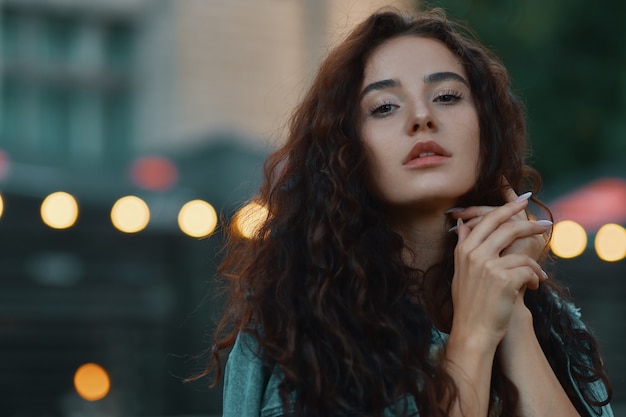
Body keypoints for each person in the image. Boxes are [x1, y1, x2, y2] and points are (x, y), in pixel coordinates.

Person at [202, 7, 613, 417]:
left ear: (486, 131)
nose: (421, 117)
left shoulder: (554, 326)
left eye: (447, 96)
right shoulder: (293, 336)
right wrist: (474, 334)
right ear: (346, 149)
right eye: (384, 107)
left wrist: (514, 316)